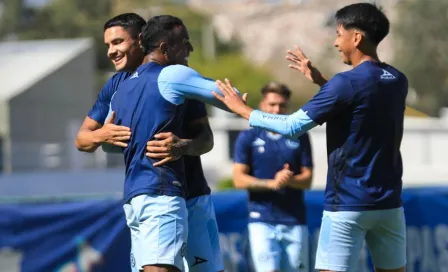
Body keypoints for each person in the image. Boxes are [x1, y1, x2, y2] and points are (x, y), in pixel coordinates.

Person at [213, 3, 407, 272]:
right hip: (389, 204)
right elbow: (360, 103)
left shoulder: (345, 83)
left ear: (356, 37)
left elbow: (293, 126)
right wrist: (322, 83)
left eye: (339, 34)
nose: (336, 42)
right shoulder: (397, 80)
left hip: (347, 205)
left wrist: (244, 110)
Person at [75, 14, 223, 272]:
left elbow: (206, 139)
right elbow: (83, 139)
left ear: (141, 40)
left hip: (193, 197)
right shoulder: (116, 85)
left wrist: (184, 146)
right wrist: (103, 135)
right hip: (152, 195)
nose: (111, 51)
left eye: (118, 42)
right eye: (108, 45)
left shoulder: (178, 77)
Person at [108, 15, 247, 272]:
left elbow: (206, 139)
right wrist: (242, 104)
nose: (190, 50)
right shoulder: (174, 75)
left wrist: (182, 145)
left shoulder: (123, 90)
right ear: (164, 48)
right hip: (161, 192)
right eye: (185, 43)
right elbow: (229, 98)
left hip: (160, 194)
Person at [233, 82, 313, 272]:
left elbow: (308, 179)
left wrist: (288, 180)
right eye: (272, 104)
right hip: (261, 219)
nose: (277, 110)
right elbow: (239, 179)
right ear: (262, 105)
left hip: (294, 220)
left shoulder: (300, 136)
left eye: (282, 105)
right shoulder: (248, 137)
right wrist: (272, 183)